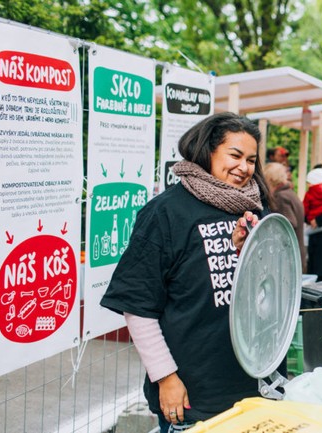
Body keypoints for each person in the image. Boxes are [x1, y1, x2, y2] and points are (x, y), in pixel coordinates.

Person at [100, 112, 272, 432]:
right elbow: (138, 306)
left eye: (251, 160)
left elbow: (269, 292)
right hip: (193, 395)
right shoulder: (166, 212)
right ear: (207, 151)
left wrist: (243, 251)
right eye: (234, 155)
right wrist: (166, 377)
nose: (244, 167)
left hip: (254, 386)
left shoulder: (255, 209)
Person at [263, 162, 306, 272]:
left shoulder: (280, 196)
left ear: (270, 178)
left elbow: (289, 224)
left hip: (288, 257)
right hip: (296, 254)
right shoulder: (290, 193)